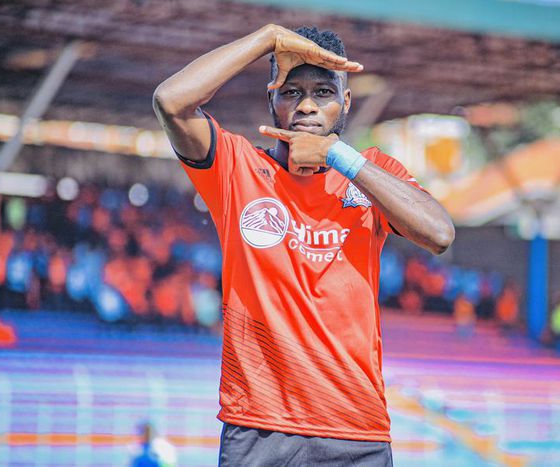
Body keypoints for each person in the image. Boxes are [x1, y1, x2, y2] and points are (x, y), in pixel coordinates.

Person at [153, 24, 455, 466]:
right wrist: (267, 39)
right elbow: (170, 101)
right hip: (258, 428)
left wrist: (337, 155)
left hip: (356, 432)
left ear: (345, 102)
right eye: (291, 92)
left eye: (323, 92)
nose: (308, 105)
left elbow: (439, 234)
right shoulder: (237, 168)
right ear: (271, 100)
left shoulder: (372, 173)